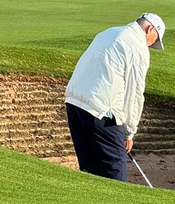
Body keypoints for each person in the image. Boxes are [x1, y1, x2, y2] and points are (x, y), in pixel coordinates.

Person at [64, 13, 165, 181]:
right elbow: (134, 94)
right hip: (101, 110)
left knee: (89, 168)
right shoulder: (137, 46)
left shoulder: (109, 32)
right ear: (149, 29)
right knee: (115, 165)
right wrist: (129, 133)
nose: (150, 46)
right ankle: (116, 200)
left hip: (74, 103)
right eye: (153, 41)